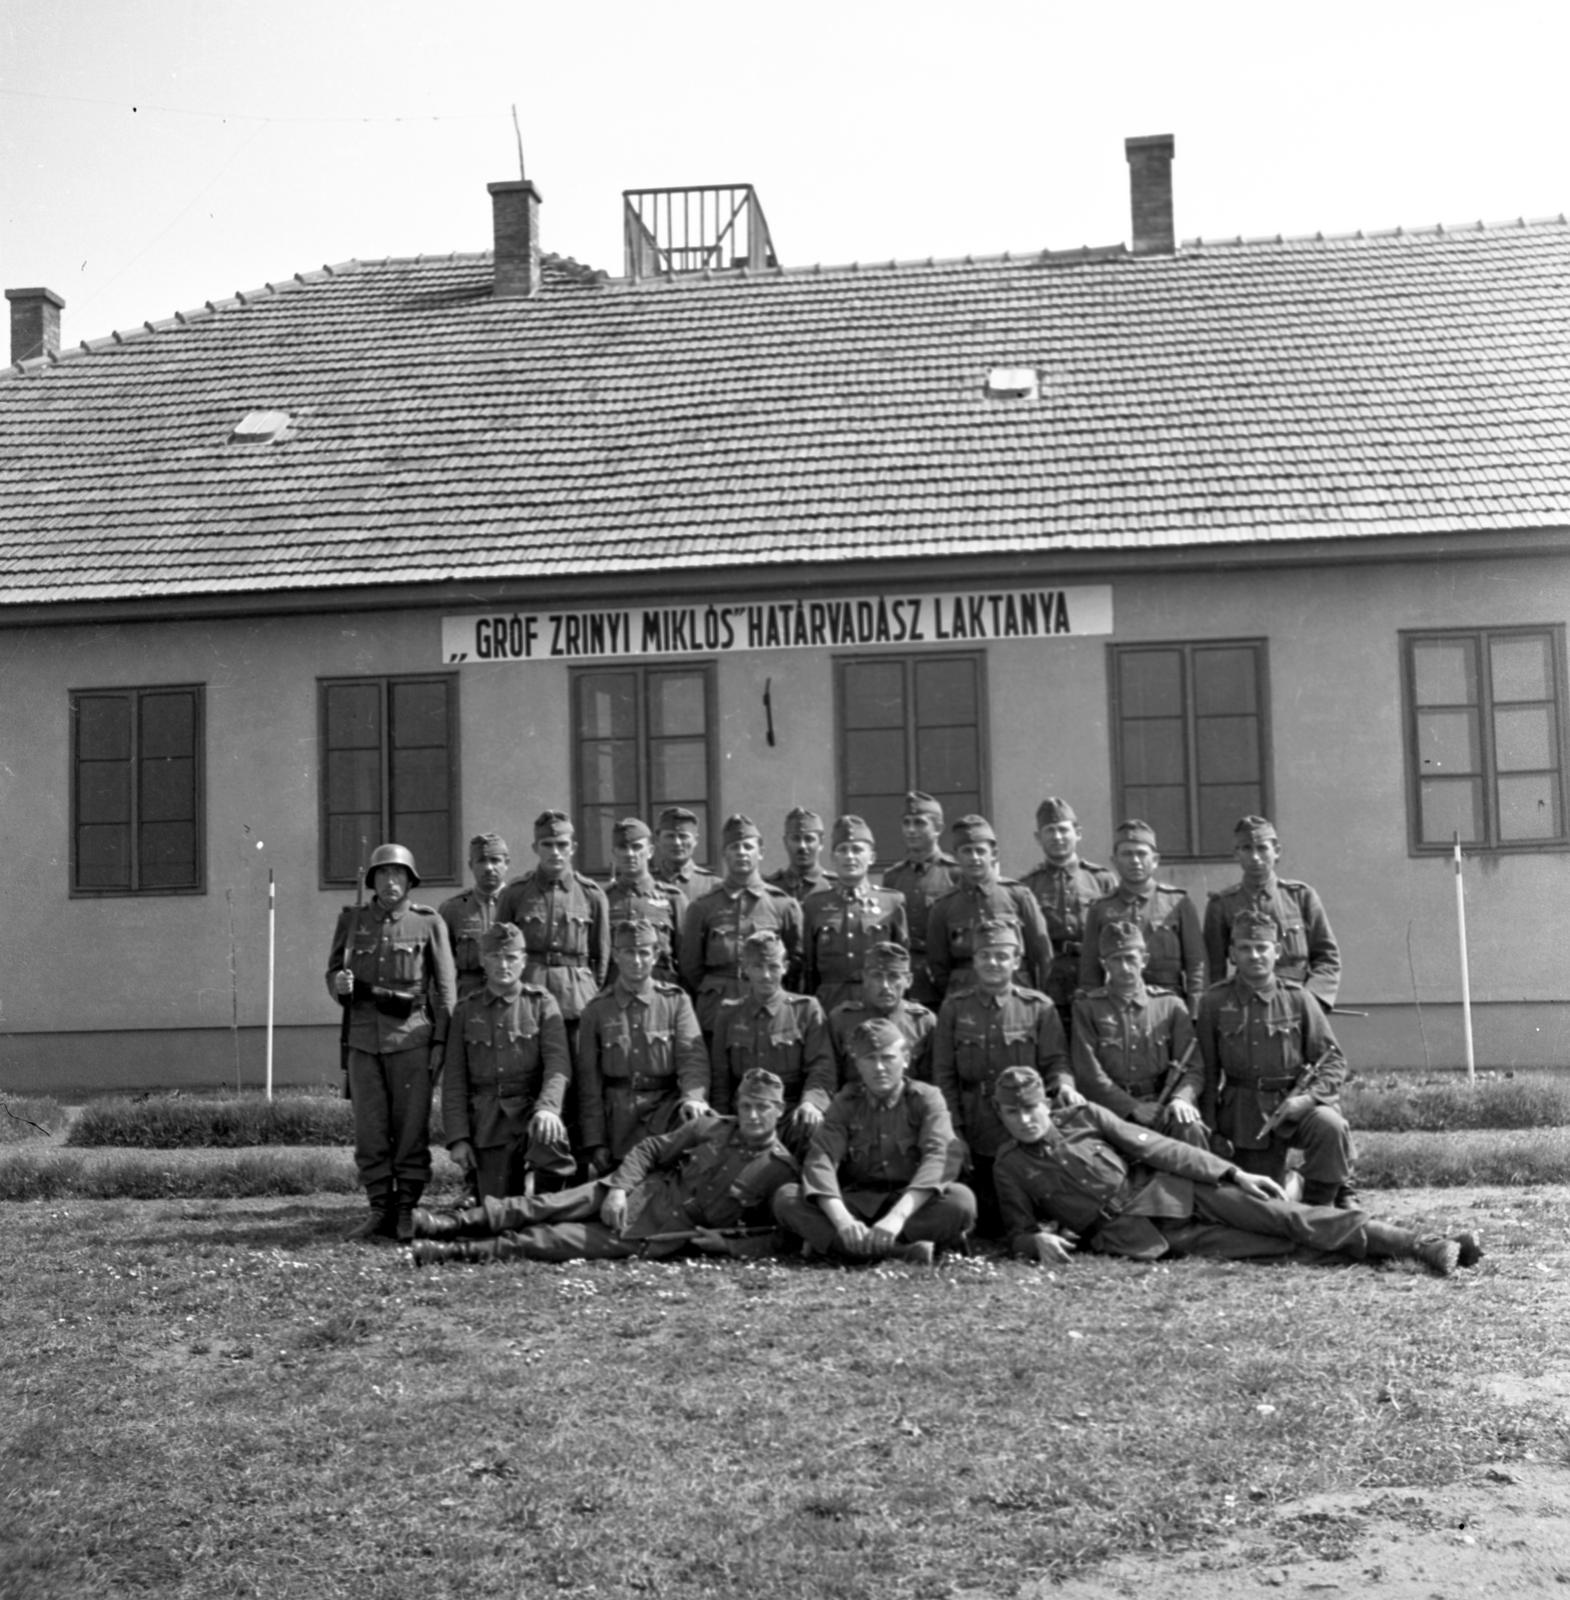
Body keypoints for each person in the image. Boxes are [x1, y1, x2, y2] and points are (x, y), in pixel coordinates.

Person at [990, 1067, 1480, 1276]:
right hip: (1137, 1235)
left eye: (1032, 1108)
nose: (1026, 1120)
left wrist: (1232, 1175)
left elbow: (1160, 1149)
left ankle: (1421, 1244)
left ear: (1046, 1104)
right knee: (1271, 1248)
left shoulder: (1085, 1118)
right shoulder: (1009, 1166)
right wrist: (1034, 1242)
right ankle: (1391, 1253)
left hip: (1175, 1192)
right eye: (1014, 1113)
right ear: (1001, 1116)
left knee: (1285, 1216)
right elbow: (1017, 1231)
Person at [411, 1068, 799, 1265]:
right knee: (543, 1205)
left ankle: (452, 1253)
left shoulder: (779, 1170)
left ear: (779, 1111)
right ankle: (449, 1224)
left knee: (550, 1241)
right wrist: (618, 1189)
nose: (752, 1115)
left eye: (762, 1108)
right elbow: (651, 1149)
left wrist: (728, 1246)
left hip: (655, 1235)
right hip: (636, 1192)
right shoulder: (710, 1127)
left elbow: (782, 1238)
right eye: (746, 1105)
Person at [326, 842, 457, 1242]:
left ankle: (406, 1210)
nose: (390, 881)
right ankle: (379, 1208)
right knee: (370, 1130)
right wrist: (339, 985)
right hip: (364, 1042)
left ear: (410, 880)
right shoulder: (352, 921)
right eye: (383, 873)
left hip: (412, 1040)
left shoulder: (428, 923)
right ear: (372, 880)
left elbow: (445, 990)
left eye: (398, 873)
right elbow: (333, 972)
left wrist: (441, 1042)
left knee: (411, 1129)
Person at [773, 1018, 976, 1264]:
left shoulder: (926, 1099)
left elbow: (939, 1157)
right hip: (857, 1203)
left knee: (961, 1201)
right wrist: (843, 1220)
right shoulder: (846, 1102)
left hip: (910, 1204)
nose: (879, 1068)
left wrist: (896, 1218)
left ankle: (837, 1248)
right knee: (787, 1198)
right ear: (858, 1064)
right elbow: (821, 1160)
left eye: (888, 1058)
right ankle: (902, 1252)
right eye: (869, 1059)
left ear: (906, 1059)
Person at [1196, 908, 1357, 1207]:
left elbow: (1333, 1061)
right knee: (1265, 1201)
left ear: (1277, 951)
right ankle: (1294, 1183)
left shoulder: (1298, 997)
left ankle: (1321, 1205)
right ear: (1232, 953)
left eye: (1262, 947)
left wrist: (1308, 1100)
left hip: (1294, 1103)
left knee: (1330, 1126)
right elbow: (1207, 1072)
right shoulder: (1214, 1002)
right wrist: (1212, 1128)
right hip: (1245, 1114)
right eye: (1245, 948)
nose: (1254, 955)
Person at [932, 916, 1078, 1232]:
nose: (993, 963)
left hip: (1024, 1127)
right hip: (977, 1127)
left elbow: (1056, 1062)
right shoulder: (954, 1008)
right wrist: (954, 1130)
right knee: (984, 1216)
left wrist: (1065, 1085)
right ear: (974, 960)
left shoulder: (1039, 1007)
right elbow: (944, 1076)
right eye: (985, 955)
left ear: (1016, 961)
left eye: (1001, 956)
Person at [441, 922, 575, 1200]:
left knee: (551, 1164)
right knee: (497, 1209)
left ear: (523, 961)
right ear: (482, 960)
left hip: (531, 1114)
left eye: (511, 957)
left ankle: (545, 1208)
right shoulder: (466, 1010)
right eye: (495, 957)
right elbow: (454, 1079)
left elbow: (558, 1064)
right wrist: (458, 1138)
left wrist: (548, 1109)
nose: (504, 965)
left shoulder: (541, 1003)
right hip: (488, 1122)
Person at [576, 919, 711, 1174]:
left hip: (666, 1117)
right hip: (619, 1125)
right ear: (616, 955)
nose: (637, 961)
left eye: (644, 953)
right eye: (629, 952)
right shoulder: (596, 1010)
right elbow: (589, 1082)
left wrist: (693, 1098)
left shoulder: (676, 1001)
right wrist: (595, 1140)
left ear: (656, 955)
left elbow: (692, 1058)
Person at [1070, 920, 1207, 1148]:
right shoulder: (1087, 1008)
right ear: (1104, 964)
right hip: (1110, 1110)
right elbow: (1089, 1074)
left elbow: (1193, 1066)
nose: (1125, 967)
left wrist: (1181, 1098)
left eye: (1130, 958)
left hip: (1162, 1106)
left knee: (1190, 1128)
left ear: (1144, 960)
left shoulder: (1170, 1005)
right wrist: (1132, 1107)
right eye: (1116, 960)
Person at [679, 813, 804, 1042]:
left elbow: (796, 962)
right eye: (734, 847)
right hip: (716, 1011)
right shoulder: (703, 906)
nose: (741, 852)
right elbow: (690, 965)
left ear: (761, 852)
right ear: (724, 854)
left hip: (768, 1006)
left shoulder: (782, 905)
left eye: (748, 846)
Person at [495, 811, 610, 1056]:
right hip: (528, 996)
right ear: (535, 847)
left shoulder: (591, 895)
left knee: (579, 1066)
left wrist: (589, 992)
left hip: (577, 1001)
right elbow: (499, 948)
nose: (555, 852)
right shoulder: (515, 893)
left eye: (562, 845)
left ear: (573, 848)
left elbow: (601, 956)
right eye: (547, 844)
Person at [1204, 815, 1342, 1011]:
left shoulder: (1301, 897)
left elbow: (1327, 957)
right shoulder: (1222, 904)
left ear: (1277, 851)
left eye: (1262, 848)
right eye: (1247, 849)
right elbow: (1214, 969)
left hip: (1298, 1001)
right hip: (1245, 1004)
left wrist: (1311, 1001)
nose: (1255, 857)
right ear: (1237, 854)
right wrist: (1223, 1008)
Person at [1079, 819, 1205, 1014]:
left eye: (1141, 853)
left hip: (1169, 1008)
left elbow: (1196, 963)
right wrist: (1093, 1012)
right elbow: (1090, 971)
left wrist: (1195, 1012)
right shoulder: (1101, 909)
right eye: (1127, 854)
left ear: (1155, 860)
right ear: (1114, 861)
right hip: (1117, 1007)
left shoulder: (1178, 903)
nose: (1135, 860)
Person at [925, 815, 1054, 1002]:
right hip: (965, 995)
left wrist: (1034, 997)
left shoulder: (1018, 895)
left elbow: (1041, 953)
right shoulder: (943, 906)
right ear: (956, 856)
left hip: (1015, 993)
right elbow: (938, 964)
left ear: (994, 854)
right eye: (967, 851)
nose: (974, 858)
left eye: (980, 851)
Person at [1020, 798, 1118, 1033]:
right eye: (1050, 831)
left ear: (1078, 833)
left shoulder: (1101, 880)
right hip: (1049, 977)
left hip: (1093, 974)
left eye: (1063, 830)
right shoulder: (1028, 886)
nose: (1057, 837)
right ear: (1038, 838)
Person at [801, 815, 909, 1014]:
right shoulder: (815, 904)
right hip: (830, 1004)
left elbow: (902, 962)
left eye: (857, 850)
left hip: (877, 1003)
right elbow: (808, 966)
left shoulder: (891, 902)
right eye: (842, 850)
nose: (850, 856)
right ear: (833, 858)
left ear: (872, 857)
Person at [880, 791, 960, 1009]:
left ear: (938, 828)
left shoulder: (954, 873)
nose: (911, 830)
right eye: (906, 823)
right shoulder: (893, 876)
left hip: (943, 977)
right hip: (903, 978)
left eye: (919, 823)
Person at [826, 942, 936, 1086]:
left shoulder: (923, 1022)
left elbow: (934, 1080)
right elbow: (828, 1077)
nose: (885, 985)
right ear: (865, 978)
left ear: (908, 981)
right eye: (877, 976)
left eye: (893, 977)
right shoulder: (841, 1020)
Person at [603, 817, 686, 985]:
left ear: (650, 851)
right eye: (623, 848)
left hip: (661, 990)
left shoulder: (672, 898)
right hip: (615, 990)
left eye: (636, 847)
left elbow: (687, 957)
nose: (630, 854)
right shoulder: (603, 898)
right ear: (614, 852)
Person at [438, 832, 514, 1001]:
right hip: (469, 999)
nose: (488, 868)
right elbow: (441, 965)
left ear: (506, 863)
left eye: (495, 860)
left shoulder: (519, 903)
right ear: (470, 865)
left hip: (510, 998)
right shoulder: (453, 909)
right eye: (481, 861)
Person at [652, 805, 722, 904]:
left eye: (683, 836)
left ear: (695, 840)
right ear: (658, 840)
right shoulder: (647, 883)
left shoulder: (714, 886)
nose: (677, 843)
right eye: (670, 836)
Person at [764, 806, 833, 903]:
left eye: (809, 839)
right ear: (786, 842)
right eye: (796, 839)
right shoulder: (770, 887)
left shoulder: (834, 886)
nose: (802, 846)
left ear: (821, 842)